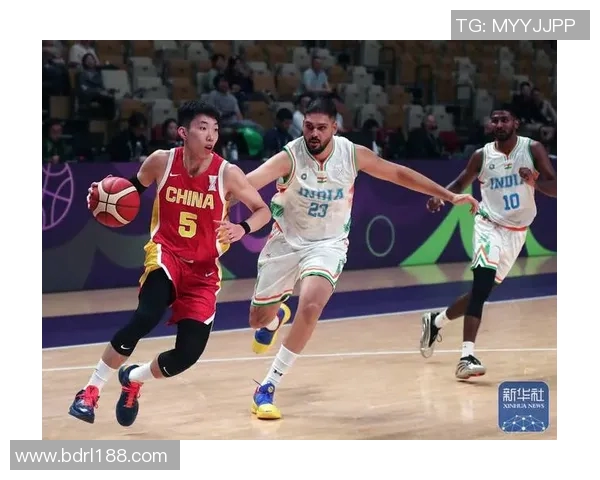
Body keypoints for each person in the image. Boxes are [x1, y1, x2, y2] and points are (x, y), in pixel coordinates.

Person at [234, 96, 480, 420]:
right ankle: (274, 316)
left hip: (328, 244)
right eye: (309, 126)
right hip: (285, 243)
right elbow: (245, 185)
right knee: (257, 320)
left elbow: (398, 174)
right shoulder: (289, 156)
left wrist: (448, 195)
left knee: (311, 306)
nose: (314, 134)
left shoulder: (351, 154)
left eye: (322, 128)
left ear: (335, 128)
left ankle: (268, 385)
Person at [68, 100, 271, 427]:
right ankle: (89, 392)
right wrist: (102, 195)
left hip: (204, 271)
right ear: (183, 132)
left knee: (186, 356)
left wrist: (242, 228)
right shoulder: (161, 162)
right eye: (203, 128)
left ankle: (133, 378)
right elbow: (127, 192)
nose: (211, 136)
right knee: (145, 317)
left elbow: (263, 210)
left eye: (215, 129)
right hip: (166, 254)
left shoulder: (227, 173)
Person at [419, 105, 557, 379]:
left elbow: (557, 188)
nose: (499, 124)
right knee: (481, 285)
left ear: (515, 123)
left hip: (517, 232)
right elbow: (460, 183)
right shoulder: (482, 156)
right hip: (488, 225)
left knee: (480, 293)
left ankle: (436, 321)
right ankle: (466, 357)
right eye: (495, 120)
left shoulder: (532, 149)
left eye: (504, 119)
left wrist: (535, 183)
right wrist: (441, 196)